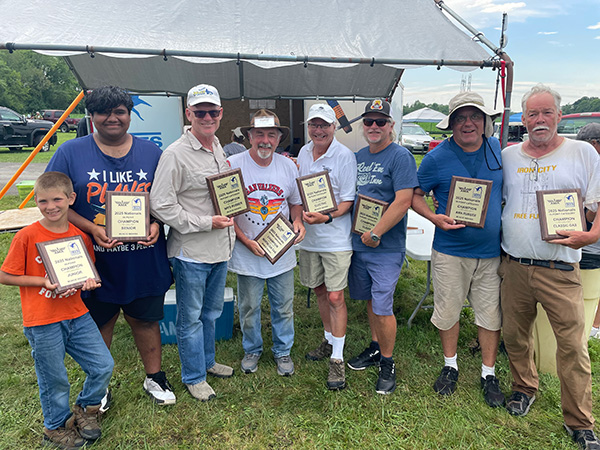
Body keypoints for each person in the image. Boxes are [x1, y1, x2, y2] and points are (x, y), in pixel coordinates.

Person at [46, 86, 175, 407]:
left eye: (120, 111)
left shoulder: (152, 153)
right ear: (91, 117)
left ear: (129, 115)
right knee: (99, 323)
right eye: (104, 112)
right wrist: (92, 228)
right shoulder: (70, 153)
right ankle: (100, 385)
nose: (112, 118)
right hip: (93, 260)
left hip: (142, 258)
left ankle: (155, 377)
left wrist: (157, 223)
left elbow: (163, 201)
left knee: (145, 320)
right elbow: (54, 202)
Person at [500, 84, 600, 450]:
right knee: (514, 335)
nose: (539, 120)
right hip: (514, 266)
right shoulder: (509, 155)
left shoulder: (583, 153)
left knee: (572, 346)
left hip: (560, 269)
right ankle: (524, 388)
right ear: (523, 119)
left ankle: (580, 422)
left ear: (559, 115)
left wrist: (590, 236)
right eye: (532, 114)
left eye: (546, 113)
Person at [0, 171, 114, 448]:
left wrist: (90, 281)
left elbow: (88, 272)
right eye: (43, 201)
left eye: (57, 199)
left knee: (103, 365)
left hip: (76, 314)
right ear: (36, 202)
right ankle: (55, 426)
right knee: (54, 378)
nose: (51, 206)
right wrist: (43, 281)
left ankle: (86, 409)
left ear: (71, 199)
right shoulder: (27, 236)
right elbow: (5, 275)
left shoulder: (79, 236)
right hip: (42, 320)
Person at [411, 92, 505, 408]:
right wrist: (433, 217)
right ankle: (450, 365)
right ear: (451, 124)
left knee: (490, 315)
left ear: (485, 121)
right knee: (448, 310)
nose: (468, 123)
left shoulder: (497, 150)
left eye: (474, 116)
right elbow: (414, 194)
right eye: (460, 118)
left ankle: (488, 373)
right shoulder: (437, 157)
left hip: (491, 253)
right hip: (451, 251)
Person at [151, 84, 235, 402]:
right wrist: (204, 223)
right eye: (200, 112)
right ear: (189, 114)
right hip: (192, 252)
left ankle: (208, 361)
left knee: (211, 312)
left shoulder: (218, 147)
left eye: (213, 111)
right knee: (191, 318)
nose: (207, 117)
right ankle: (194, 376)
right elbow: (161, 204)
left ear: (220, 114)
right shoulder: (175, 154)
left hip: (220, 248)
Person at [346, 99, 418, 395]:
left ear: (392, 126)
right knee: (370, 300)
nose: (374, 127)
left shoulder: (400, 157)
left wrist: (376, 232)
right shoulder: (358, 156)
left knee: (383, 304)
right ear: (363, 127)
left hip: (384, 246)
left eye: (380, 122)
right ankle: (375, 347)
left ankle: (388, 362)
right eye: (369, 122)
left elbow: (403, 200)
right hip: (358, 243)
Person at [227, 109, 305, 377]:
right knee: (249, 306)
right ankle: (252, 349)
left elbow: (295, 203)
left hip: (280, 251)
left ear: (278, 138)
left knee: (283, 306)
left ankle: (283, 351)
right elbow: (227, 211)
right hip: (247, 250)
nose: (265, 140)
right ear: (249, 136)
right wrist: (246, 241)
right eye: (259, 133)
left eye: (271, 134)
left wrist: (298, 223)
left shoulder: (288, 166)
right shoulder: (233, 164)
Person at [297, 104, 357, 390]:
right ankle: (328, 338)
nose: (318, 130)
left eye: (324, 125)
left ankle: (337, 358)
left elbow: (348, 201)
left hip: (335, 240)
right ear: (308, 127)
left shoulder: (344, 156)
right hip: (310, 239)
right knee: (319, 290)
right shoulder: (303, 152)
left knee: (335, 297)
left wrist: (327, 216)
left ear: (334, 127)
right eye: (313, 125)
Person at [576, 124, 600, 340]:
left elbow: (590, 217)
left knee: (586, 293)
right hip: (585, 247)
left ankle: (593, 327)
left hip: (589, 246)